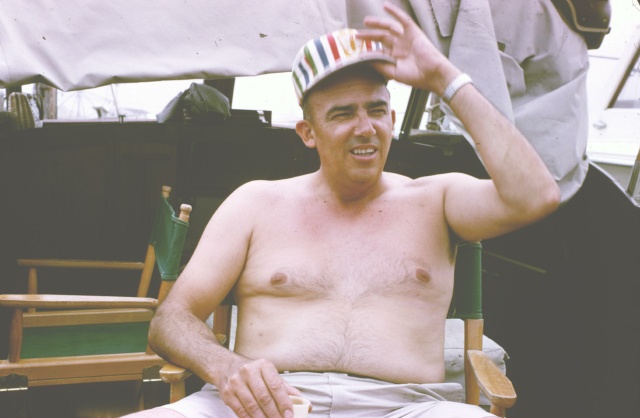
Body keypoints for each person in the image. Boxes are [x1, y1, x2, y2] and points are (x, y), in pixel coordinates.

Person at [127, 3, 560, 417]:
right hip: (268, 405)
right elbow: (170, 320)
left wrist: (445, 79)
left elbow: (536, 196)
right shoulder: (254, 203)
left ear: (393, 118)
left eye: (376, 109)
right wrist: (225, 367)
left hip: (408, 407)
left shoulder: (437, 200)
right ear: (308, 133)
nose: (365, 127)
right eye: (342, 114)